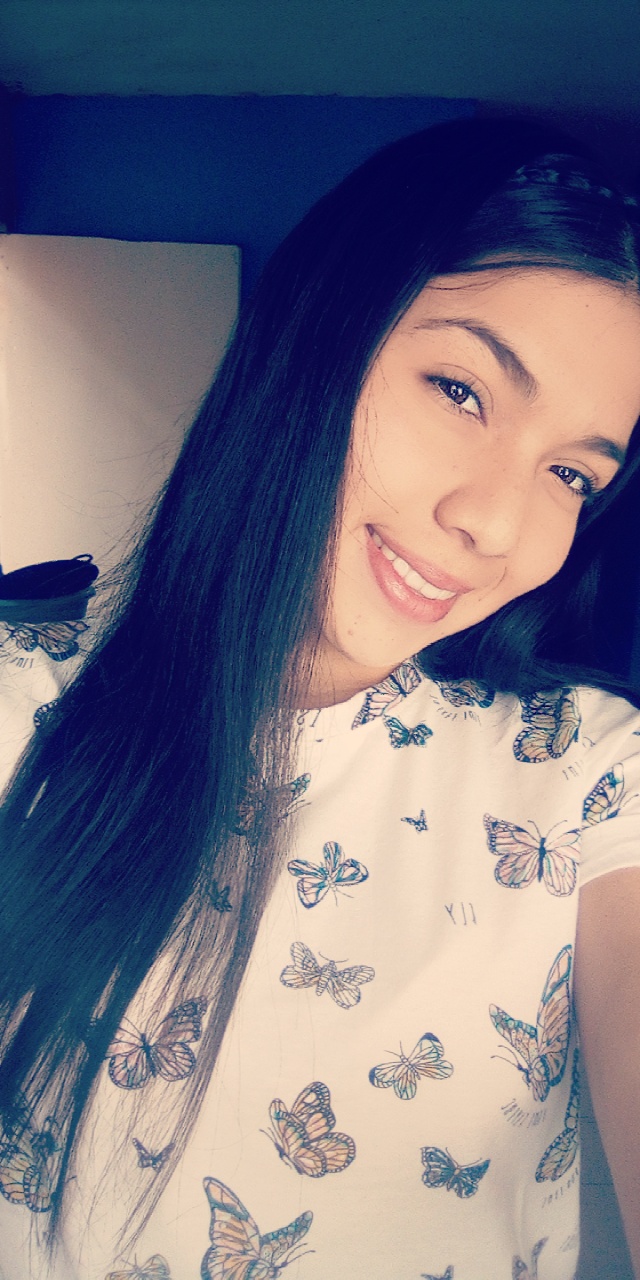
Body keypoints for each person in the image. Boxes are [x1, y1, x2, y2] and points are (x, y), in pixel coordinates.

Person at [0, 116, 640, 1280]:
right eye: (460, 389)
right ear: (314, 340)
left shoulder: (584, 776)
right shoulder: (21, 702)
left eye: (569, 473)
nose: (494, 523)